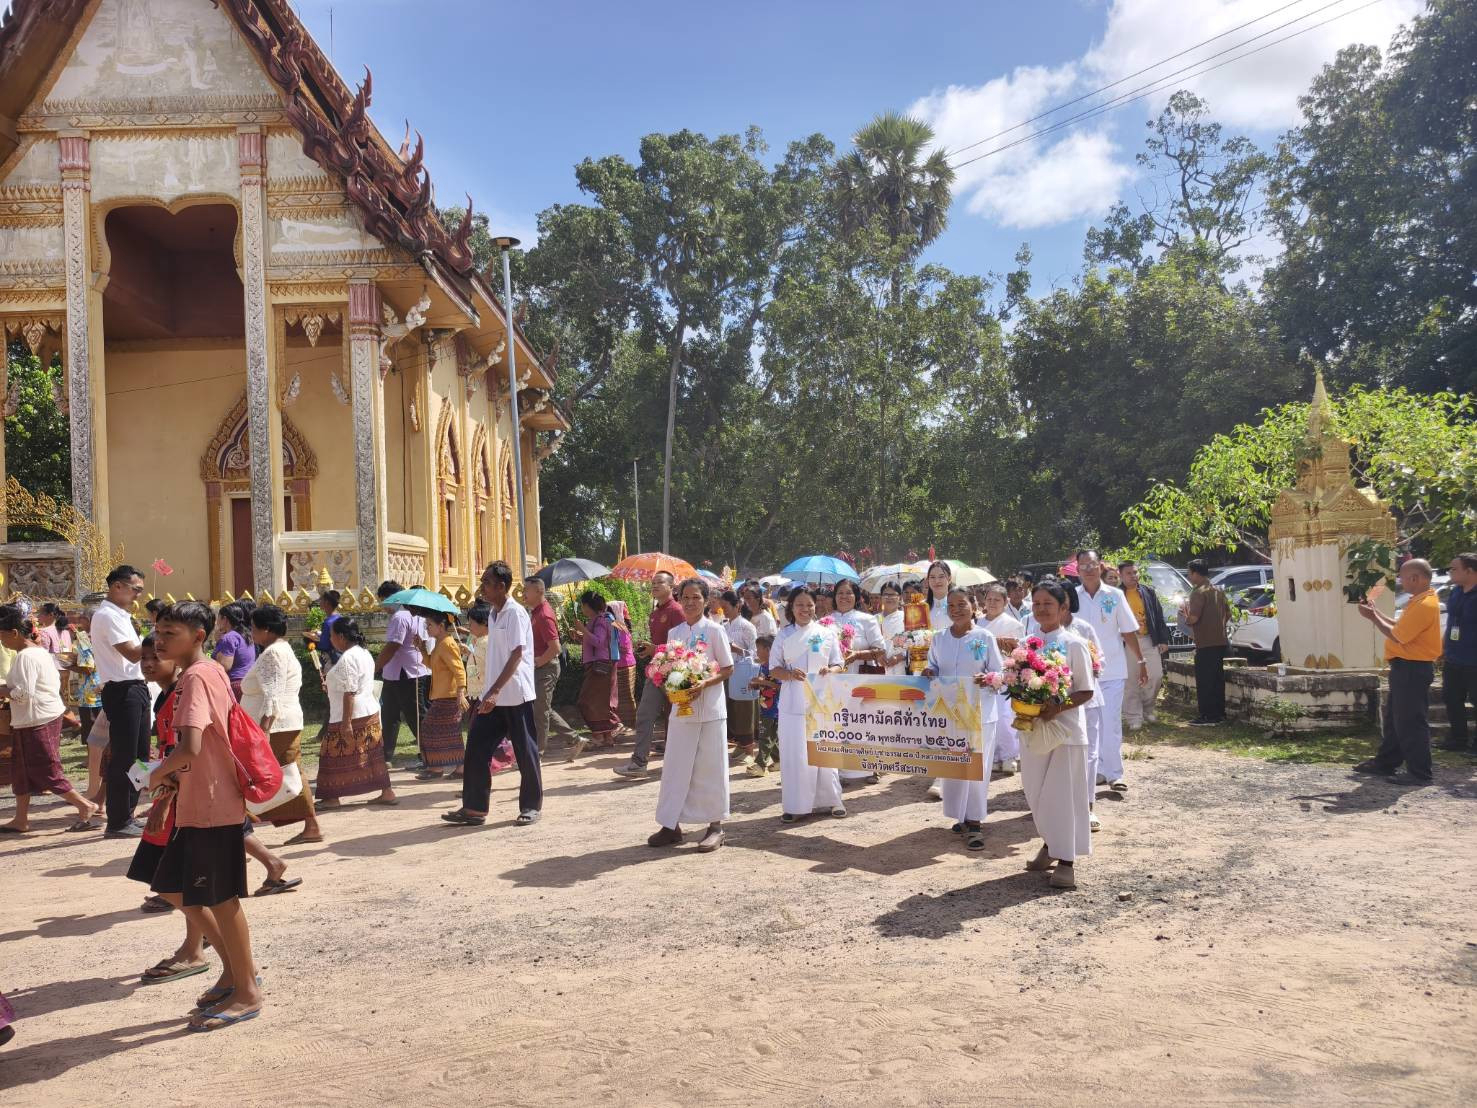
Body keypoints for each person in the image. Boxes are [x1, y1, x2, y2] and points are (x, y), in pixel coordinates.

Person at [145, 601, 263, 1031]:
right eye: (158, 632)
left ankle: (247, 989)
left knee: (221, 899)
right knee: (175, 886)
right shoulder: (208, 671)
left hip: (211, 804)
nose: (160, 641)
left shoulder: (196, 677)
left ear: (198, 636)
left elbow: (191, 746)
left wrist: (157, 774)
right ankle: (235, 974)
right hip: (200, 801)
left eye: (169, 633)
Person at [442, 561, 542, 826]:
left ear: (501, 586)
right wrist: (491, 691)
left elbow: (517, 654)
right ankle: (474, 809)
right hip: (493, 696)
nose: (482, 587)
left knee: (525, 751)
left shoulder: (515, 613)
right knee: (476, 747)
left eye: (487, 582)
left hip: (515, 694)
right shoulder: (495, 614)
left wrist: (496, 691)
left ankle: (531, 806)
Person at [1018, 579, 1096, 890]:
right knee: (1035, 793)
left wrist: (1057, 707)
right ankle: (1050, 845)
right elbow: (1015, 680)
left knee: (1063, 796)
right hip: (1033, 728)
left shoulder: (1075, 644)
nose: (1041, 609)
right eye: (1036, 604)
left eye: (1048, 603)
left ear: (1063, 607)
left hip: (1066, 730)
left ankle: (1066, 862)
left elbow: (1086, 690)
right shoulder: (1027, 644)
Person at [647, 578, 734, 852]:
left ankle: (715, 827)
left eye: (696, 597)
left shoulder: (715, 630)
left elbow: (728, 668)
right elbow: (667, 666)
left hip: (710, 711)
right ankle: (670, 825)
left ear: (706, 601)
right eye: (685, 597)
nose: (690, 602)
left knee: (711, 768)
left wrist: (704, 683)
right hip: (681, 711)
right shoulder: (674, 632)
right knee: (675, 767)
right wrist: (668, 683)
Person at [0, 605, 98, 832]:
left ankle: (85, 805)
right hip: (32, 718)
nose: (2, 642)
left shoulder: (27, 656)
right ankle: (20, 818)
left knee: (46, 770)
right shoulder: (35, 653)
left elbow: (23, 694)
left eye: (2, 636)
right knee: (21, 771)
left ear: (14, 633)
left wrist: (3, 691)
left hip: (38, 720)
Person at [923, 588, 1003, 852]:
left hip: (980, 712)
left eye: (962, 604)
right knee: (954, 764)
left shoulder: (984, 637)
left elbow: (1000, 674)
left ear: (974, 605)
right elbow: (933, 666)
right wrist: (929, 671)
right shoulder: (939, 638)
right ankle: (960, 815)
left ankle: (975, 821)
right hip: (949, 713)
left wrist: (988, 679)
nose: (956, 610)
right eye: (951, 606)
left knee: (977, 766)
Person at [1354, 558, 1442, 785]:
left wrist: (1372, 617)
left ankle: (1420, 773)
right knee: (1395, 718)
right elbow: (1400, 627)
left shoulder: (1425, 604)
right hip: (1406, 667)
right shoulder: (1420, 600)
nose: (1400, 581)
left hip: (1413, 668)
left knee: (1411, 721)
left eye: (1402, 576)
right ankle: (1386, 762)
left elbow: (1398, 636)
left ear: (1416, 578)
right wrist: (1376, 613)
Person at [242, 605, 321, 844]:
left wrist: (263, 731)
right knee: (291, 771)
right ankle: (310, 824)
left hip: (277, 726)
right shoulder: (280, 649)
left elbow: (272, 696)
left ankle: (310, 825)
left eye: (253, 628)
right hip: (283, 723)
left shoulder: (273, 653)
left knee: (286, 772)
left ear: (266, 629)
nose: (251, 633)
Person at [771, 587, 846, 821]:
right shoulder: (783, 635)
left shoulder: (826, 633)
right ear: (792, 608)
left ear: (816, 606)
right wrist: (790, 674)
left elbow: (839, 663)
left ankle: (832, 800)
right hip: (793, 702)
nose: (805, 609)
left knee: (824, 749)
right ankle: (796, 805)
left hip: (822, 701)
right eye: (800, 605)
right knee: (796, 753)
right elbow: (774, 669)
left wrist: (830, 670)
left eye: (809, 605)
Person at [1074, 551, 1145, 794]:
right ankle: (1095, 771)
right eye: (1083, 565)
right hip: (1081, 673)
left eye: (1092, 564)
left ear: (1100, 566)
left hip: (1112, 670)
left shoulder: (1115, 595)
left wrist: (1141, 660)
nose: (1088, 569)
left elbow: (1127, 631)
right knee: (1088, 725)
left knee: (1111, 723)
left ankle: (1115, 774)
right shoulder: (1072, 597)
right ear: (1077, 569)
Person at [93, 564, 149, 837]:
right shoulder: (107, 616)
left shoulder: (121, 615)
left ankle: (128, 812)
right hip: (122, 689)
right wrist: (159, 636)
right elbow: (132, 653)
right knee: (124, 756)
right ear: (117, 586)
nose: (139, 595)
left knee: (140, 756)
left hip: (135, 686)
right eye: (135, 589)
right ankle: (117, 820)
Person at [316, 619, 397, 808]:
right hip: (368, 710)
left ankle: (332, 797)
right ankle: (387, 791)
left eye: (331, 635)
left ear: (341, 637)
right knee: (374, 755)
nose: (330, 639)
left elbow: (350, 691)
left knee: (331, 754)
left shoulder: (348, 658)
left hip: (352, 714)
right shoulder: (364, 652)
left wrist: (346, 723)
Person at [614, 571, 684, 779]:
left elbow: (682, 646)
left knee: (675, 717)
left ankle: (677, 762)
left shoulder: (677, 611)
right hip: (657, 671)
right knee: (644, 714)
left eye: (660, 582)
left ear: (672, 587)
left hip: (676, 673)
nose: (654, 586)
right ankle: (639, 762)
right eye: (653, 583)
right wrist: (649, 649)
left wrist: (656, 649)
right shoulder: (655, 613)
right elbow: (659, 644)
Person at [830, 578, 886, 786]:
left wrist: (857, 654)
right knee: (840, 722)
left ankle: (873, 766)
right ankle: (841, 769)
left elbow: (880, 650)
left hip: (861, 678)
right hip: (835, 681)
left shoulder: (867, 620)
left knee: (866, 722)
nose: (844, 597)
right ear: (834, 596)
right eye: (840, 593)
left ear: (857, 597)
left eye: (848, 593)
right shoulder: (825, 621)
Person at [374, 580, 431, 765]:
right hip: (403, 672)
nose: (382, 606)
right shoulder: (417, 615)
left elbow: (393, 646)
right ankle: (385, 756)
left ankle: (430, 755)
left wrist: (375, 667)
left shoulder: (400, 617)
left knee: (414, 716)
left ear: (393, 598)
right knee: (390, 715)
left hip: (406, 673)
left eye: (383, 601)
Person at [522, 577, 580, 756]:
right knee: (542, 709)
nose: (523, 593)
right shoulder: (536, 612)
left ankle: (537, 752)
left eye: (526, 590)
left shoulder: (544, 615)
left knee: (540, 711)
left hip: (546, 668)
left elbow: (555, 647)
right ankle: (575, 739)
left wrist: (538, 662)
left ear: (539, 591)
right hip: (540, 667)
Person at [979, 582, 1025, 774]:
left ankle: (1009, 756)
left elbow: (1020, 652)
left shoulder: (1013, 624)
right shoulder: (977, 623)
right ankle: (993, 756)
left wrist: (1005, 645)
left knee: (1005, 716)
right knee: (987, 717)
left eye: (997, 600)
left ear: (1005, 602)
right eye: (989, 599)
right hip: (983, 676)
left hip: (1005, 674)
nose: (992, 603)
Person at [1118, 560, 1170, 730]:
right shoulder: (1116, 594)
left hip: (1148, 638)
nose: (1133, 576)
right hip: (1126, 641)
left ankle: (1148, 709)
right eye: (1129, 573)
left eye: (1135, 572)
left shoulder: (1148, 591)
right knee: (1131, 680)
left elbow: (1158, 615)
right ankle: (1133, 716)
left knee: (1155, 676)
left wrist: (1163, 639)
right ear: (1121, 575)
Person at [415, 610, 467, 779]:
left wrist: (461, 692)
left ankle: (440, 768)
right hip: (441, 695)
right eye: (426, 625)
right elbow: (432, 664)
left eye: (429, 625)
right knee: (443, 730)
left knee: (432, 728)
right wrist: (422, 648)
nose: (427, 628)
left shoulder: (447, 643)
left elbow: (459, 670)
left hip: (449, 696)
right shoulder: (440, 642)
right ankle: (447, 767)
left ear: (441, 626)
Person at [1182, 559, 1232, 727]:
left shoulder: (1198, 592)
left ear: (1195, 573)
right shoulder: (1218, 590)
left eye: (1189, 573)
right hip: (1220, 640)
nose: (1189, 577)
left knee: (1205, 680)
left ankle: (1208, 716)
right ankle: (1219, 714)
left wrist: (1185, 617)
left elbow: (1193, 618)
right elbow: (1228, 614)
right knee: (1217, 679)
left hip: (1205, 642)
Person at [574, 591, 625, 751]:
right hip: (604, 663)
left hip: (599, 665)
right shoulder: (604, 619)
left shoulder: (600, 620)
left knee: (587, 701)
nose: (582, 608)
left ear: (588, 606)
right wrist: (581, 635)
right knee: (601, 702)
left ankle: (599, 735)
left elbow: (599, 642)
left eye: (583, 605)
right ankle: (606, 737)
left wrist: (583, 629)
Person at [1440, 553, 1477, 755]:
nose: (1450, 572)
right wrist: (1443, 647)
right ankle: (1458, 739)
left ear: (1469, 571)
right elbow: (1452, 621)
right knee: (1452, 698)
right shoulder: (1456, 592)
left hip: (1474, 659)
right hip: (1454, 656)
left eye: (1454, 569)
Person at [717, 590, 757, 753]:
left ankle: (747, 747)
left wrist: (737, 649)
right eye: (722, 608)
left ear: (737, 606)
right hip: (726, 671)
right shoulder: (723, 626)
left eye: (726, 607)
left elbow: (756, 653)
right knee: (730, 708)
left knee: (743, 709)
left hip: (742, 672)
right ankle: (738, 743)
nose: (724, 611)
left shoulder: (747, 626)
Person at [746, 634, 780, 776]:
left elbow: (779, 686)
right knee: (771, 736)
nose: (757, 652)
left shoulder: (776, 667)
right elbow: (763, 683)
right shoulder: (763, 665)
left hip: (774, 708)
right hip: (764, 706)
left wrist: (762, 682)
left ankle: (760, 766)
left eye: (758, 649)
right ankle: (779, 761)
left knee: (765, 736)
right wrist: (755, 685)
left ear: (768, 649)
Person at [211, 601, 256, 701]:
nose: (216, 622)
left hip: (234, 685)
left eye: (218, 618)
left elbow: (224, 666)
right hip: (246, 682)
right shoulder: (245, 634)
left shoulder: (229, 637)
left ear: (225, 619)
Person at [303, 589, 342, 669]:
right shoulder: (340, 617)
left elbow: (324, 645)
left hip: (332, 659)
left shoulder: (328, 622)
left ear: (327, 603)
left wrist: (311, 640)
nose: (319, 602)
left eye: (321, 600)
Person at [877, 582, 907, 675]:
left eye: (893, 595)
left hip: (901, 668)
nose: (889, 597)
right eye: (885, 594)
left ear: (900, 597)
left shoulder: (906, 617)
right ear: (881, 597)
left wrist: (899, 657)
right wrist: (877, 655)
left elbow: (915, 643)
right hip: (878, 668)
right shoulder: (874, 619)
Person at [924, 561, 952, 630]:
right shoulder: (921, 607)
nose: (937, 581)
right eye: (932, 577)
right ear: (928, 580)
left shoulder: (957, 605)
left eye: (941, 576)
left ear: (949, 579)